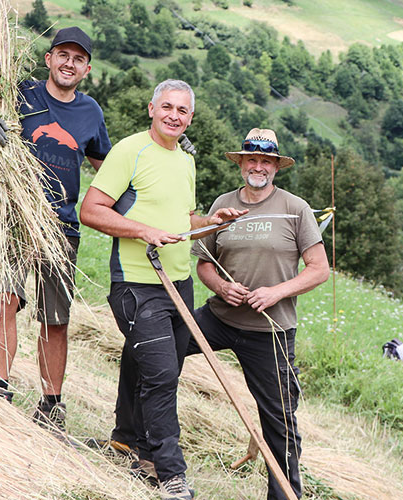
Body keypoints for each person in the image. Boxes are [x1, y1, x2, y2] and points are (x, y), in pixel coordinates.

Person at [0, 27, 112, 431]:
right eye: (62, 54)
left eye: (78, 58)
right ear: (48, 59)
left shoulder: (91, 114)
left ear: (86, 68)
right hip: (12, 217)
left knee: (55, 319)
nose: (69, 63)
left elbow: (110, 170)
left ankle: (51, 407)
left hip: (61, 227)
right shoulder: (19, 94)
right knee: (4, 300)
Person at [79, 79, 245, 500]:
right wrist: (143, 231)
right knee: (163, 376)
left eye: (183, 110)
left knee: (146, 364)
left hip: (180, 285)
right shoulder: (129, 151)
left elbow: (183, 217)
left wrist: (211, 221)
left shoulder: (186, 161)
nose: (174, 115)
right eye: (167, 106)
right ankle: (169, 473)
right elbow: (91, 210)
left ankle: (124, 441)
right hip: (137, 284)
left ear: (191, 117)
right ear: (151, 108)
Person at [187, 128, 330, 500]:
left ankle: (284, 495)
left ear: (276, 167)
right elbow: (205, 264)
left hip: (271, 331)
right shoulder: (224, 203)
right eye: (252, 159)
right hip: (218, 318)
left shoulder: (295, 209)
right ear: (241, 164)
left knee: (280, 422)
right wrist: (221, 287)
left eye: (266, 161)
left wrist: (275, 293)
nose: (258, 166)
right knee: (155, 352)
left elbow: (319, 268)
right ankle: (140, 446)